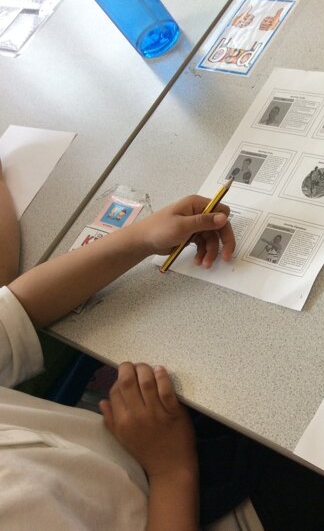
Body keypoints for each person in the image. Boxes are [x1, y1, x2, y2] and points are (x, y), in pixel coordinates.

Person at [0, 162, 236, 530]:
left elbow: (15, 309)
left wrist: (143, 238)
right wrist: (172, 470)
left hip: (135, 445)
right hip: (178, 494)